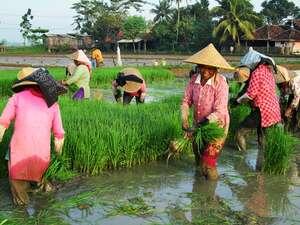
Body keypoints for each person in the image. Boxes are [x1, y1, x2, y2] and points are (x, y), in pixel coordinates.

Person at [0, 67, 66, 205]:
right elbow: (59, 134)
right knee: (39, 178)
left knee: (19, 188)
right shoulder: (53, 104)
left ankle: (22, 210)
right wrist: (58, 154)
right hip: (42, 156)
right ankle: (44, 199)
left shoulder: (17, 98)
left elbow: (3, 122)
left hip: (20, 153)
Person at [181, 43, 233, 180]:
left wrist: (200, 124)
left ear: (216, 68)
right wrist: (184, 120)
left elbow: (220, 110)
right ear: (198, 66)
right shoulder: (193, 80)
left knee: (208, 163)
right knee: (198, 159)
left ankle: (211, 196)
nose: (205, 71)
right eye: (203, 66)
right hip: (198, 126)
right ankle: (199, 193)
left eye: (210, 68)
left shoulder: (221, 83)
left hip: (217, 127)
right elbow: (186, 101)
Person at [235, 47, 281, 170]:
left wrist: (237, 101)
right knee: (262, 137)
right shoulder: (268, 71)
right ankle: (261, 166)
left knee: (240, 132)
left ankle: (242, 160)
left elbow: (251, 94)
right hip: (274, 110)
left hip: (262, 110)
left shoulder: (256, 72)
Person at [275, 65, 300, 132]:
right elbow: (282, 98)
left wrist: (289, 109)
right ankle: (289, 127)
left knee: (296, 111)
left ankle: (296, 127)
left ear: (285, 81)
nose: (279, 86)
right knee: (287, 109)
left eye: (281, 84)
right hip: (295, 92)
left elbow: (297, 97)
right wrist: (280, 112)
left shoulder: (293, 81)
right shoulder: (281, 83)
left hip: (298, 92)